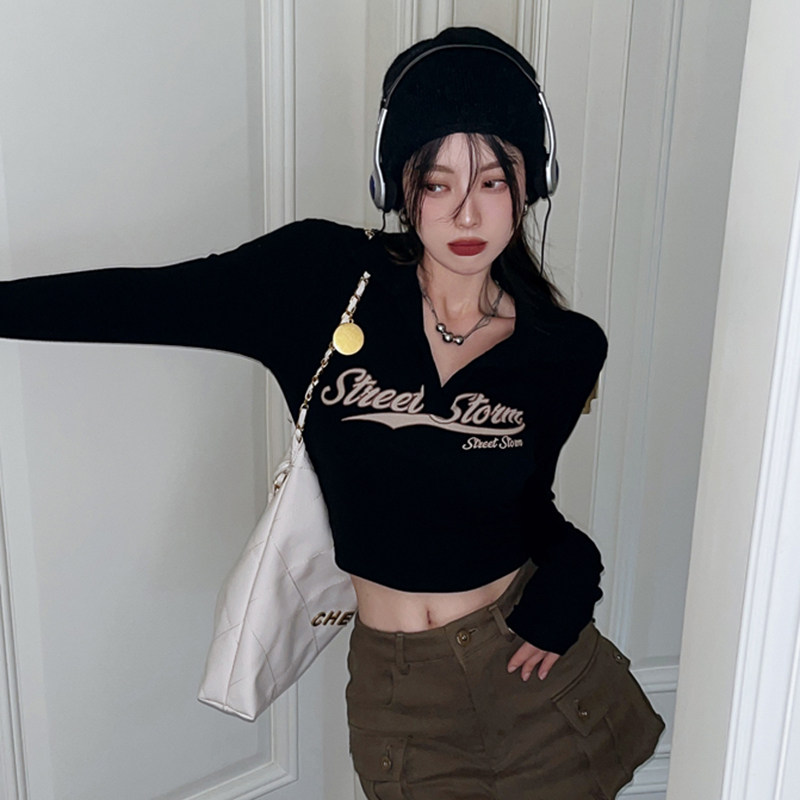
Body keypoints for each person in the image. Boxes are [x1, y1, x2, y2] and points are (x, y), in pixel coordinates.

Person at [0, 26, 664, 800]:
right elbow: (142, 300)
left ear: (532, 182)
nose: (466, 213)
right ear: (397, 186)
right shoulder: (319, 280)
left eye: (493, 180)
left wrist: (573, 569)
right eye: (437, 182)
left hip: (536, 675)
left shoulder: (564, 347)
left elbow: (523, 505)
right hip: (405, 698)